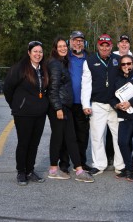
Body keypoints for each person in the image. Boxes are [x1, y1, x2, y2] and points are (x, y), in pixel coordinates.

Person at [46, 37, 94, 183]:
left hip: (65, 106)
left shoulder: (62, 62)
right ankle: (54, 169)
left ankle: (79, 169)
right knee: (58, 138)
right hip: (59, 107)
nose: (62, 48)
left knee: (70, 138)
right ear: (55, 48)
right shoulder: (55, 64)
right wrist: (58, 108)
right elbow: (53, 88)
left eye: (64, 46)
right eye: (59, 46)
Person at [3, 41, 49, 186]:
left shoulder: (43, 69)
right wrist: (17, 104)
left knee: (34, 144)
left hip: (39, 113)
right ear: (29, 53)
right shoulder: (19, 68)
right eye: (35, 51)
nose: (38, 54)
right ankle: (21, 172)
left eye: (40, 52)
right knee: (24, 143)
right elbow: (7, 88)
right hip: (23, 114)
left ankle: (30, 170)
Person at [81, 33, 125, 176]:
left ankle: (120, 165)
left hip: (115, 105)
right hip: (97, 104)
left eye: (107, 45)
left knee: (118, 136)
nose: (105, 48)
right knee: (97, 136)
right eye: (102, 45)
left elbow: (130, 68)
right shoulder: (90, 60)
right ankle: (99, 164)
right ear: (98, 46)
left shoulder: (118, 60)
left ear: (111, 46)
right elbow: (86, 84)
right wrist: (85, 104)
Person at [58, 30, 93, 174]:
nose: (78, 42)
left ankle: (81, 163)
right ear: (70, 41)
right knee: (66, 135)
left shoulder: (90, 58)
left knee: (82, 135)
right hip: (67, 102)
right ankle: (64, 163)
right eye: (75, 40)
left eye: (80, 40)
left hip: (83, 104)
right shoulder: (64, 57)